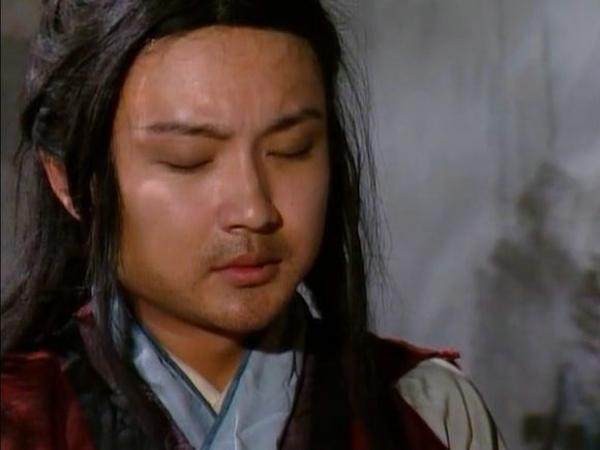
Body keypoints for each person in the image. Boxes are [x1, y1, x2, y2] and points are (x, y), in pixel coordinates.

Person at [0, 1, 506, 449]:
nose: (254, 209)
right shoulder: (17, 419)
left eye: (291, 150)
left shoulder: (426, 413)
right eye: (189, 159)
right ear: (69, 180)